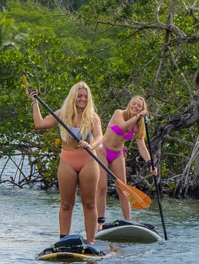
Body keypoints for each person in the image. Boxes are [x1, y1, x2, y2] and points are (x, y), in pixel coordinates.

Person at [28, 81, 103, 244]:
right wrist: (35, 102)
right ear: (73, 97)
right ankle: (63, 240)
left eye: (85, 96)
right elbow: (40, 124)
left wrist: (91, 145)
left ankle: (90, 242)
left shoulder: (92, 117)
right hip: (67, 160)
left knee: (89, 203)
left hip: (88, 160)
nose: (82, 99)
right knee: (66, 203)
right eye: (79, 95)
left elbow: (99, 137)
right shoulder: (62, 114)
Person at [90, 95, 156, 227]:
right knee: (102, 188)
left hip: (118, 154)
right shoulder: (118, 113)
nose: (135, 107)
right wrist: (138, 116)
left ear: (142, 109)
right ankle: (99, 223)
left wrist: (150, 163)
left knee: (123, 188)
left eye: (139, 106)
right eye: (134, 104)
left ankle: (128, 221)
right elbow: (123, 126)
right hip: (102, 150)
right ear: (129, 104)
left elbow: (142, 147)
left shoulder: (138, 126)